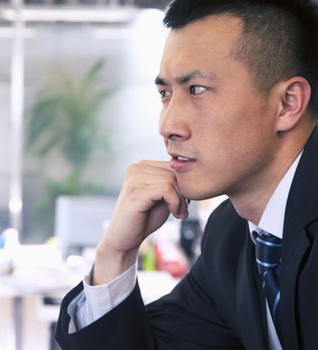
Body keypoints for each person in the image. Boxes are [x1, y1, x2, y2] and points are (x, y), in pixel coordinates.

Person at [55, 0, 318, 349]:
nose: (167, 126)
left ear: (287, 104)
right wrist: (115, 255)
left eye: (196, 90)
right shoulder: (231, 236)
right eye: (165, 94)